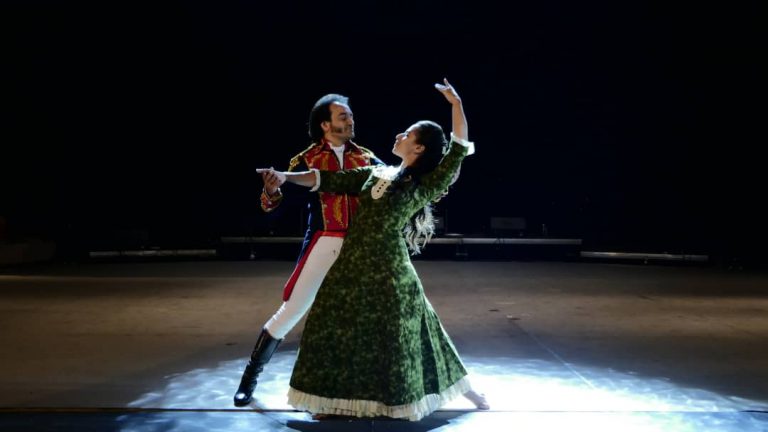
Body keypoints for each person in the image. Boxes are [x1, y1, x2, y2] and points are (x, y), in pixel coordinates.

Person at [257, 79, 489, 420]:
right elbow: (324, 179)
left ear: (419, 148)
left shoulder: (425, 183)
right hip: (351, 265)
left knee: (412, 334)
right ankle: (329, 401)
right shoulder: (374, 171)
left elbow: (457, 148)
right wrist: (283, 176)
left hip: (390, 271)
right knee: (336, 330)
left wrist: (456, 104)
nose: (398, 135)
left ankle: (462, 391)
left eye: (407, 134)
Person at [233, 94, 383, 406]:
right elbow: (274, 211)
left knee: (370, 315)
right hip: (324, 242)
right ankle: (250, 377)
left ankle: (369, 386)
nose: (351, 120)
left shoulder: (367, 158)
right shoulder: (305, 160)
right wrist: (271, 191)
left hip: (361, 246)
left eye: (350, 115)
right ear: (325, 125)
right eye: (343, 116)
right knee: (292, 311)